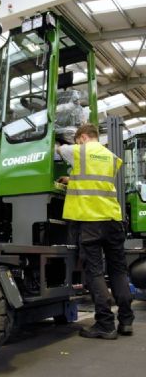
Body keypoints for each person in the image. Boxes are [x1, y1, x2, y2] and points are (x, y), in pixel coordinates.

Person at [57, 123, 134, 339]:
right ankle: (126, 321)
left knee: (95, 272)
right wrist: (72, 180)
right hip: (113, 219)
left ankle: (105, 324)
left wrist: (58, 143)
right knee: (118, 271)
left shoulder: (78, 150)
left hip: (91, 222)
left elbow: (58, 149)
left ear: (81, 138)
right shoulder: (110, 156)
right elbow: (94, 179)